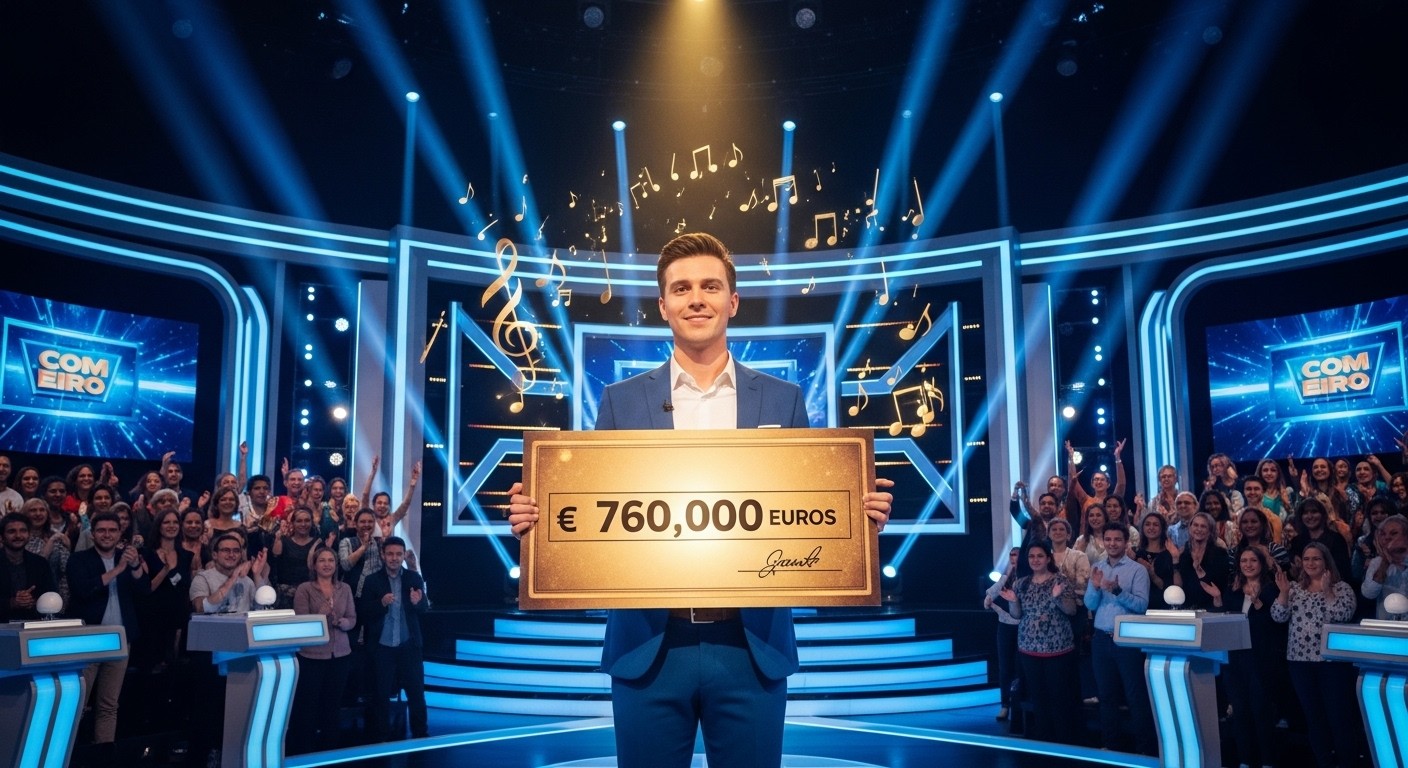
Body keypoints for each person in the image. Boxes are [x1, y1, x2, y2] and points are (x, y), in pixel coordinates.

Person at [507, 232, 894, 768]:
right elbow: (592, 507)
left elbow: (810, 508)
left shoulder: (783, 399)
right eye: (681, 288)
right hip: (648, 647)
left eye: (710, 287)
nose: (696, 299)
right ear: (662, 305)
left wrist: (856, 517)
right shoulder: (620, 401)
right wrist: (540, 517)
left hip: (751, 646)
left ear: (732, 301)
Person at [1272, 541, 1362, 768]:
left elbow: (1342, 615)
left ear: (1326, 561)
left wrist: (1328, 591)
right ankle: (1324, 762)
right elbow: (1278, 616)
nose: (1311, 563)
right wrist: (1283, 593)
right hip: (1299, 662)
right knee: (1313, 716)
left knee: (1338, 716)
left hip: (1331, 663)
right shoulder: (1294, 588)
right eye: (1307, 559)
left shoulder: (1341, 588)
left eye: (1316, 558)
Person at [66, 511, 150, 746]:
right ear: (92, 534)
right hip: (88, 639)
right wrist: (118, 569)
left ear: (120, 533)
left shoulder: (128, 558)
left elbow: (144, 591)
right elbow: (83, 591)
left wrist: (135, 566)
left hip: (120, 639)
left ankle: (104, 754)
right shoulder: (79, 560)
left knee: (109, 704)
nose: (107, 534)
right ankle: (70, 752)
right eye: (101, 530)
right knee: (78, 703)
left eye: (112, 530)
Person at [1001, 540, 1082, 745]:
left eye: (1039, 556)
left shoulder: (1060, 580)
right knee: (1038, 698)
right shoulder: (1021, 583)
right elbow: (1017, 615)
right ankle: (1044, 744)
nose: (1035, 560)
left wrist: (1057, 598)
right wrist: (1013, 601)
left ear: (1048, 558)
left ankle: (1064, 743)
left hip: (1058, 649)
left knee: (1059, 698)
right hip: (1029, 649)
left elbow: (1071, 610)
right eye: (1031, 556)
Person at [1084, 522, 1154, 755]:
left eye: (1117, 539)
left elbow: (1142, 606)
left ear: (1126, 543)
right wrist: (1095, 588)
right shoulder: (1097, 567)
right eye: (1108, 539)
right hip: (1101, 639)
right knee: (1106, 696)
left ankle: (1144, 749)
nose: (1112, 543)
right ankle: (1111, 745)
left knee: (1135, 695)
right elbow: (1089, 604)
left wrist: (1117, 592)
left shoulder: (1137, 570)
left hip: (1128, 641)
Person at [358, 536, 430, 741]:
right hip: (382, 647)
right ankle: (381, 737)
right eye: (390, 554)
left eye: (398, 554)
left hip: (409, 645)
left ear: (403, 555)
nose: (394, 558)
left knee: (416, 692)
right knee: (380, 694)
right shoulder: (372, 580)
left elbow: (424, 608)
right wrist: (381, 603)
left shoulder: (413, 578)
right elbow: (363, 612)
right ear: (383, 555)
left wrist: (418, 602)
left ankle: (421, 735)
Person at [1220, 545, 1284, 768]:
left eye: (1253, 560)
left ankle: (1267, 761)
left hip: (1261, 659)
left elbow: (1276, 622)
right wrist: (1218, 599)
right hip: (1235, 659)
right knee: (1239, 711)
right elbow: (1227, 618)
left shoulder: (1272, 589)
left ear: (1261, 564)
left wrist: (1257, 603)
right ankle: (1245, 760)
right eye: (1244, 560)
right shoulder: (1234, 589)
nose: (1248, 565)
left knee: (1261, 710)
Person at [290, 546, 357, 754]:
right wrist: (320, 615)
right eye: (322, 560)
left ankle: (330, 749)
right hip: (312, 656)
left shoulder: (345, 588)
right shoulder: (305, 589)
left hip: (341, 655)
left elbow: (353, 618)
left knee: (333, 704)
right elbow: (301, 622)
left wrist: (345, 623)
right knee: (308, 705)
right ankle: (305, 750)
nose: (327, 564)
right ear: (314, 565)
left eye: (331, 560)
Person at [189, 532, 269, 614]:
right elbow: (201, 608)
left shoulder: (247, 581)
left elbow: (261, 610)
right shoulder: (202, 578)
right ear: (214, 555)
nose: (231, 555)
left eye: (236, 551)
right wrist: (233, 577)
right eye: (226, 550)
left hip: (243, 622)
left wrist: (257, 575)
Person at [983, 547, 1021, 722]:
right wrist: (989, 600)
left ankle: (1019, 705)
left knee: (1020, 667)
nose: (1014, 558)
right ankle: (1005, 705)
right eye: (1011, 555)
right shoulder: (1006, 578)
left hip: (1022, 627)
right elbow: (990, 594)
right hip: (1005, 626)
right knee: (1005, 667)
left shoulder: (1027, 578)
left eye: (1016, 555)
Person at [1, 511, 55, 622]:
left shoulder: (40, 563)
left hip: (34, 624)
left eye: (23, 531)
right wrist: (12, 603)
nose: (18, 536)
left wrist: (32, 601)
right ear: (2, 537)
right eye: (12, 531)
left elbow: (51, 594)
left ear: (29, 535)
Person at [1172, 512, 1230, 611]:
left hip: (1211, 608)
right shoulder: (1182, 553)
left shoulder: (1220, 554)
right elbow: (1178, 587)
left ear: (1210, 530)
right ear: (1190, 528)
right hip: (1187, 608)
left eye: (1203, 526)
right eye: (1195, 525)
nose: (1198, 529)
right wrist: (1175, 560)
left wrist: (1199, 571)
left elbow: (1219, 586)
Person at [1361, 513, 1408, 620]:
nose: (1387, 538)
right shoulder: (1376, 563)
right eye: (1383, 534)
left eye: (1394, 533)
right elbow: (1369, 593)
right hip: (1386, 625)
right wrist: (1385, 562)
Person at [1133, 512, 1177, 610]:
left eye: (1156, 525)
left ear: (1162, 528)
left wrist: (1153, 576)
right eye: (1147, 524)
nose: (1151, 528)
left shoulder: (1171, 554)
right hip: (1140, 607)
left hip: (1163, 607)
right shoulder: (1136, 554)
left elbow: (1172, 588)